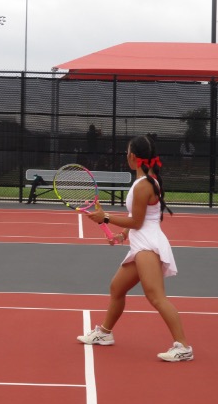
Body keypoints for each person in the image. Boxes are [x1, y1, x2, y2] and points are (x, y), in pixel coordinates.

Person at [78, 134, 193, 362]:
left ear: (132, 156)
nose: (126, 156)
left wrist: (105, 217)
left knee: (157, 298)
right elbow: (139, 217)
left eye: (126, 153)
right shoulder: (144, 181)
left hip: (148, 247)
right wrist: (122, 235)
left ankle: (183, 347)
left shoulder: (144, 185)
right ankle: (105, 333)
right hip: (141, 243)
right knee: (117, 288)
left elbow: (138, 222)